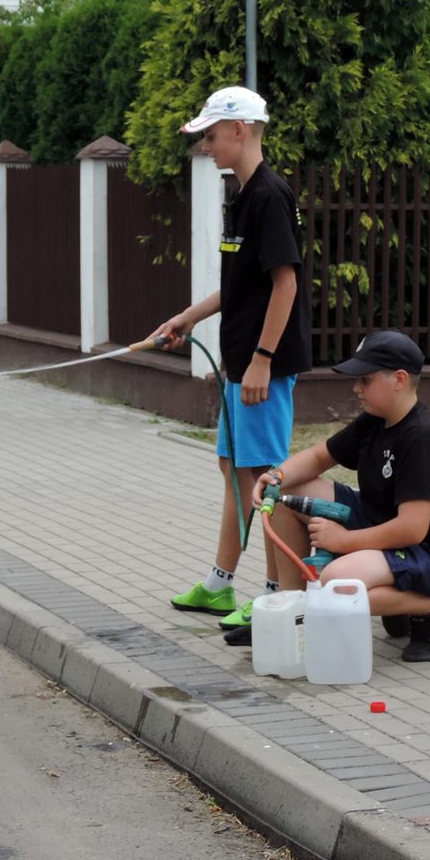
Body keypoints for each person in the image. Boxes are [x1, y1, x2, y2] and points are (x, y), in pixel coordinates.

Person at [152, 85, 312, 640]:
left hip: (259, 366)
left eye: (212, 135)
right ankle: (220, 583)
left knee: (263, 481)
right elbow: (239, 286)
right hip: (240, 361)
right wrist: (188, 317)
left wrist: (264, 360)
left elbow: (285, 284)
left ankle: (271, 598)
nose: (207, 146)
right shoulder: (240, 195)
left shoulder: (269, 196)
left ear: (240, 130)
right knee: (232, 469)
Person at [249, 331, 430, 663]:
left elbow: (413, 529)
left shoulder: (421, 437)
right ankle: (294, 611)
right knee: (285, 494)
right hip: (383, 523)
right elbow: (317, 458)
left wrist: (344, 541)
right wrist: (276, 477)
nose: (356, 388)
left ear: (399, 380)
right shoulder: (375, 421)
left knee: (335, 583)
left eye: (365, 380)